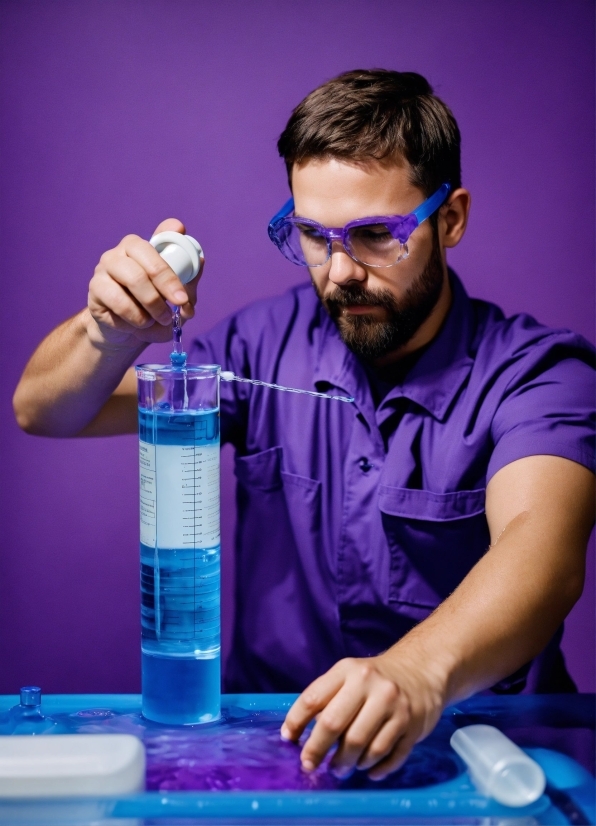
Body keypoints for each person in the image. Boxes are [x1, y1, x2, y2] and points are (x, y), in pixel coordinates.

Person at [13, 70, 595, 781]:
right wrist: (108, 328)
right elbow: (45, 410)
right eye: (315, 236)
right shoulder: (263, 346)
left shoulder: (537, 374)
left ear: (451, 219)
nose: (341, 271)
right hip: (276, 755)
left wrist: (416, 673)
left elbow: (543, 553)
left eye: (378, 234)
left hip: (488, 759)